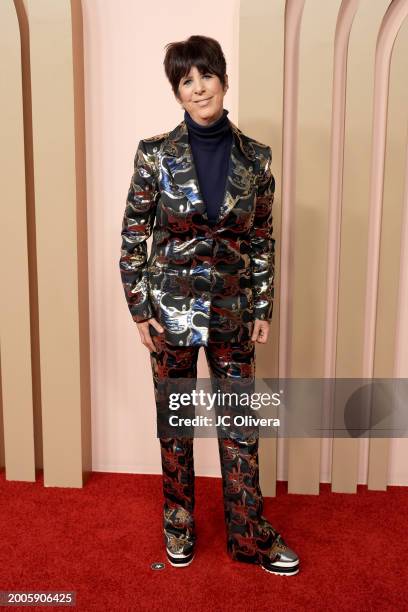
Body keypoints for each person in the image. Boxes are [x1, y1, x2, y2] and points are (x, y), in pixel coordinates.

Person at [119, 34, 299, 576]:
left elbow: (261, 238)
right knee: (175, 423)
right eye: (186, 81)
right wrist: (138, 306)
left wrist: (262, 305)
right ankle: (178, 520)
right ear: (177, 93)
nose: (198, 89)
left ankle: (248, 534)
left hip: (232, 311)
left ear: (223, 79)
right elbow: (133, 236)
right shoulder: (155, 153)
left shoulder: (257, 158)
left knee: (240, 423)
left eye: (206, 76)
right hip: (168, 312)